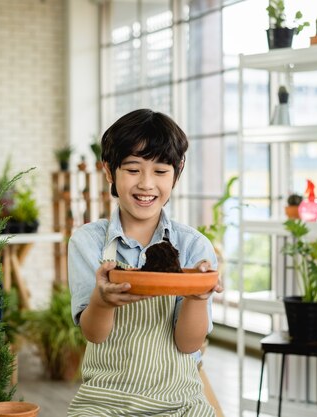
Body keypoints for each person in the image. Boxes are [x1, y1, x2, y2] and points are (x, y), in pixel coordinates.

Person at [67, 109, 223, 416]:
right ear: (110, 171)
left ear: (178, 171)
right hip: (104, 402)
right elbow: (94, 335)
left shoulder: (194, 246)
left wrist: (197, 296)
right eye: (133, 170)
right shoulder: (87, 242)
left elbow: (189, 344)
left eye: (161, 172)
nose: (146, 184)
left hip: (178, 402)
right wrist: (102, 301)